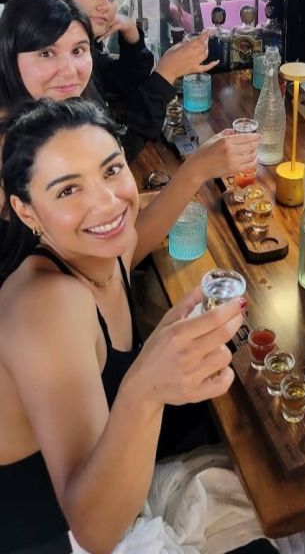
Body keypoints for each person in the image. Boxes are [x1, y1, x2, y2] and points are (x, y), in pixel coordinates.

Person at [0, 99, 283, 554]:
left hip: (112, 497)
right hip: (53, 535)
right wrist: (146, 388)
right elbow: (96, 532)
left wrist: (195, 170)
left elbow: (140, 231)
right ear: (27, 210)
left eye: (111, 170)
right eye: (68, 191)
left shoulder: (100, 253)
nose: (107, 202)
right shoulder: (48, 304)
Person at [0, 0, 257, 224]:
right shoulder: (14, 150)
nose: (69, 71)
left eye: (78, 50)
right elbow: (109, 256)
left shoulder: (68, 111)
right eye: (46, 53)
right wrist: (194, 171)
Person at [43, 0, 214, 158]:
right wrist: (166, 74)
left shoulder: (79, 50)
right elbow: (118, 152)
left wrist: (131, 35)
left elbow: (124, 83)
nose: (104, 5)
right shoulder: (50, 68)